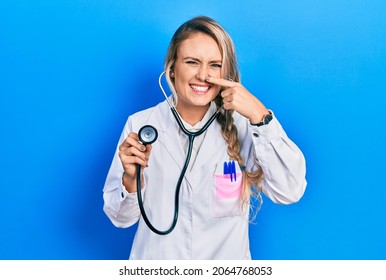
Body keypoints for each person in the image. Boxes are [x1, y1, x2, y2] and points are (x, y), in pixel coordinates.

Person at [103, 15, 307, 260]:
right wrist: (131, 178)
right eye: (192, 62)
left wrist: (260, 116)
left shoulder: (244, 125)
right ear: (172, 67)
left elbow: (290, 190)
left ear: (226, 72)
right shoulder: (140, 125)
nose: (203, 75)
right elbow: (120, 218)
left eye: (214, 65)